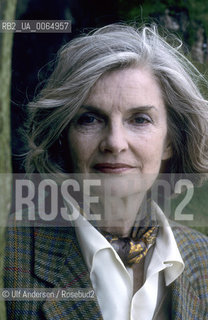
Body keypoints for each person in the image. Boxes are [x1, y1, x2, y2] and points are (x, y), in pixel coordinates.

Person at [4, 24, 208, 320]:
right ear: (63, 136)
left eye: (139, 119)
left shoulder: (203, 260)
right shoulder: (10, 258)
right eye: (89, 119)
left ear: (171, 142)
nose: (114, 142)